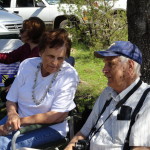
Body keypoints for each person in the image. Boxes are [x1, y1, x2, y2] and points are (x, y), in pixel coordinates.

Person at [0, 28, 79, 149]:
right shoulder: (27, 65)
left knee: (3, 145)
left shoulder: (69, 75)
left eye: (60, 58)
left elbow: (58, 115)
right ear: (41, 52)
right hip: (17, 120)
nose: (55, 63)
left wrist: (19, 121)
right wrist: (12, 114)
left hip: (50, 128)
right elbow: (11, 98)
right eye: (50, 56)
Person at [65, 41, 150, 150]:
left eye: (111, 64)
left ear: (130, 66)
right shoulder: (107, 93)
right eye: (105, 64)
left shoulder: (146, 101)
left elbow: (141, 148)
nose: (104, 70)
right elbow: (83, 133)